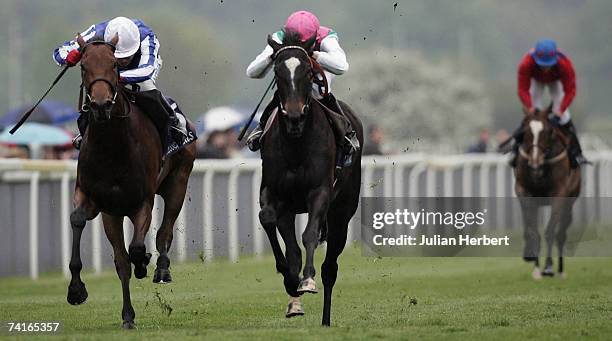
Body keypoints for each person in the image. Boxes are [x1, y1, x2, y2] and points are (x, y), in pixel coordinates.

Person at [245, 10, 360, 168]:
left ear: (315, 35)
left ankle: (346, 135)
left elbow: (342, 66)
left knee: (318, 92)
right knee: (285, 91)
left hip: (319, 76)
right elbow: (252, 72)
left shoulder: (327, 37)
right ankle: (261, 127)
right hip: (293, 76)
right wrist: (272, 57)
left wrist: (316, 55)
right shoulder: (279, 37)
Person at [53, 16, 188, 149]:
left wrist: (115, 77)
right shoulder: (97, 31)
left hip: (139, 68)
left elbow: (147, 70)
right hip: (108, 66)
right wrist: (68, 57)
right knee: (97, 89)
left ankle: (174, 122)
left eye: (127, 56)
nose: (123, 61)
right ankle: (85, 131)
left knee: (146, 87)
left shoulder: (147, 37)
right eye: (120, 57)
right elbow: (59, 52)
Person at [510, 39, 586, 167]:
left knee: (565, 116)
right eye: (542, 65)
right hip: (536, 81)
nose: (545, 68)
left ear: (555, 59)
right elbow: (522, 90)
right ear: (535, 59)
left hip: (556, 81)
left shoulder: (565, 64)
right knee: (533, 119)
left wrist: (560, 110)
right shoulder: (526, 64)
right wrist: (529, 107)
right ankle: (515, 150)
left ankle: (577, 153)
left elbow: (570, 91)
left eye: (548, 65)